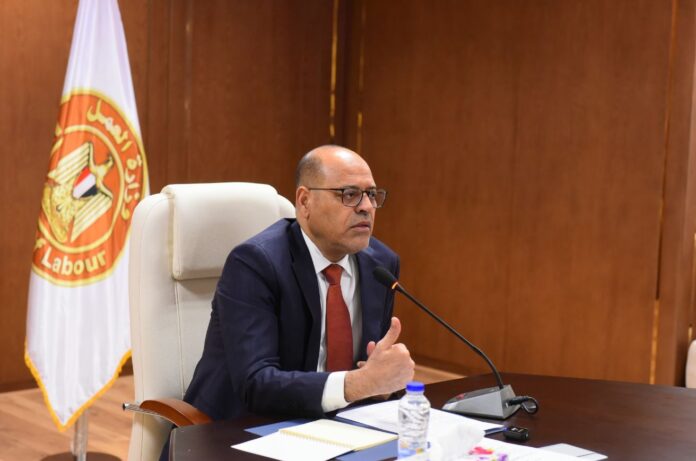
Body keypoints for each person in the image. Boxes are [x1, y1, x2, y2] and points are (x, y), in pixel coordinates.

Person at [182, 144, 414, 423]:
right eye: (350, 194)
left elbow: (370, 370)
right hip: (240, 429)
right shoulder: (255, 263)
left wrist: (385, 382)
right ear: (305, 202)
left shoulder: (381, 264)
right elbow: (256, 384)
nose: (366, 207)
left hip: (336, 427)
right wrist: (357, 384)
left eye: (372, 195)